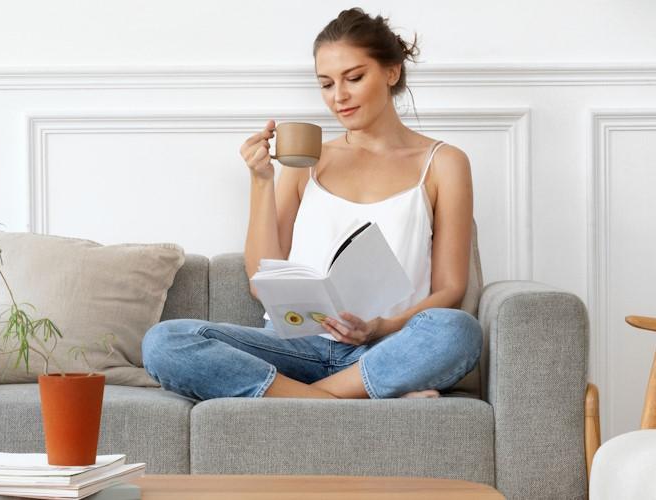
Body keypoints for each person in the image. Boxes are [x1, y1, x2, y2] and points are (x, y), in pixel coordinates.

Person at [141, 8, 480, 400]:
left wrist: (380, 327)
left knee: (457, 330)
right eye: (326, 83)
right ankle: (345, 400)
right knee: (166, 340)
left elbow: (450, 289)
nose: (339, 97)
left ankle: (300, 399)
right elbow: (260, 280)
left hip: (385, 348)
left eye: (354, 78)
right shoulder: (308, 160)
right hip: (295, 346)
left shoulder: (444, 163)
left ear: (392, 72)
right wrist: (261, 181)